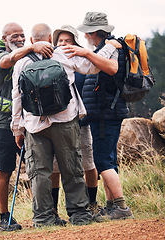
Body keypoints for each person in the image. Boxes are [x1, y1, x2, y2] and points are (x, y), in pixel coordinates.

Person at [11, 23, 120, 227]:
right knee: (72, 167)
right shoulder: (63, 54)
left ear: (32, 41)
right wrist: (111, 46)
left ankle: (43, 219)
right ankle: (79, 214)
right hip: (65, 120)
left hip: (35, 125)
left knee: (40, 173)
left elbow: (17, 97)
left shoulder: (22, 63)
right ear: (51, 38)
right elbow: (93, 66)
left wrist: (17, 129)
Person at [0, 22, 53, 231]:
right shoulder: (1, 56)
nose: (19, 39)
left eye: (22, 35)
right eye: (14, 36)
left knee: (37, 167)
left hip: (25, 122)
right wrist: (31, 47)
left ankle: (45, 214)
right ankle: (4, 218)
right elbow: (7, 62)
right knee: (5, 172)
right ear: (5, 38)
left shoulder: (26, 57)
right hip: (1, 123)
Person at [76, 12, 134, 220]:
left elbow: (111, 69)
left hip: (106, 113)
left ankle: (122, 207)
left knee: (103, 161)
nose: (84, 37)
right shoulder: (106, 48)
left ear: (93, 32)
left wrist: (85, 53)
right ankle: (112, 206)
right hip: (105, 112)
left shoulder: (110, 48)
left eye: (85, 33)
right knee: (107, 159)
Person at [50, 25, 99, 216]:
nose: (62, 44)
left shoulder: (82, 63)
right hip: (59, 123)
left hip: (81, 123)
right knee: (55, 168)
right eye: (60, 41)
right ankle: (53, 208)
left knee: (88, 163)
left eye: (67, 41)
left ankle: (92, 203)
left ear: (75, 44)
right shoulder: (52, 62)